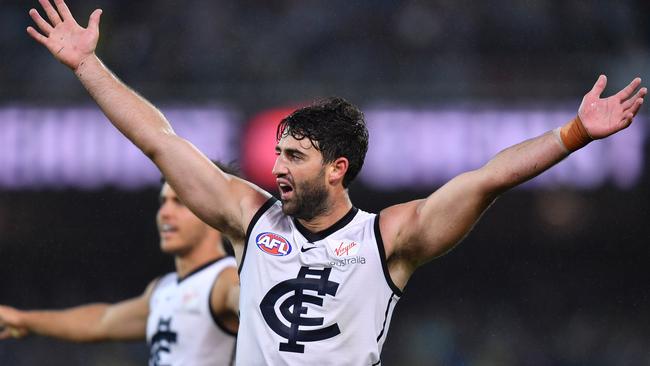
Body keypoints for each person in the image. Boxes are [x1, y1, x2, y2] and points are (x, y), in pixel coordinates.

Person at [24, 0, 646, 364]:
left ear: (337, 168)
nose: (277, 168)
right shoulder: (253, 220)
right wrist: (88, 65)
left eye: (294, 156)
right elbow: (160, 141)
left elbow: (487, 180)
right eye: (277, 154)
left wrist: (575, 134)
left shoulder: (389, 239)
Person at [0, 164, 240, 366]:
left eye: (179, 202)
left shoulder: (227, 278)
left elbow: (258, 307)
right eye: (163, 201)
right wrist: (23, 319)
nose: (165, 212)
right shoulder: (162, 289)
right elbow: (101, 322)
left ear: (211, 212)